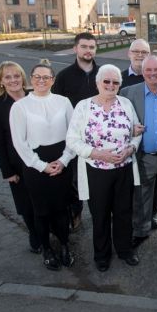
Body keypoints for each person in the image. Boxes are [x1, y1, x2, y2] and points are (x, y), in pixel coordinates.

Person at [66, 64, 143, 272]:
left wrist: (130, 149)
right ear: (97, 83)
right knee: (99, 214)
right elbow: (72, 140)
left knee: (123, 212)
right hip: (96, 170)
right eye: (106, 81)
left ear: (120, 84)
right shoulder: (84, 106)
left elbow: (137, 132)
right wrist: (98, 154)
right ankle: (101, 255)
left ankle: (125, 250)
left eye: (115, 82)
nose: (110, 85)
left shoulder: (125, 103)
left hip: (124, 168)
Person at [9, 60, 76, 271]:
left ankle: (65, 245)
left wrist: (64, 160)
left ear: (52, 80)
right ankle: (46, 249)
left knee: (62, 209)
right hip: (35, 166)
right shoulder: (19, 107)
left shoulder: (64, 102)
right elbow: (19, 143)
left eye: (46, 77)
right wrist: (41, 166)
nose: (41, 81)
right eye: (37, 77)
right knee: (41, 211)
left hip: (61, 162)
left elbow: (73, 135)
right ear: (31, 79)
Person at [121, 55, 157, 251]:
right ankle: (141, 230)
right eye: (149, 70)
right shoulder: (128, 93)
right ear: (142, 72)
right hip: (144, 156)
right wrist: (130, 130)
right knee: (141, 195)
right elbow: (119, 123)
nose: (153, 74)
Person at [0, 61, 41, 254]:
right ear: (1, 81)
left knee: (43, 200)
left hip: (41, 159)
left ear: (23, 77)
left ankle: (47, 230)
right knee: (27, 204)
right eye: (8, 77)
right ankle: (35, 235)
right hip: (17, 164)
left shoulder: (35, 97)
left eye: (17, 76)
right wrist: (7, 171)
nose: (13, 80)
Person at [52, 32, 99, 229]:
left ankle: (101, 213)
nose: (88, 51)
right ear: (75, 49)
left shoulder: (104, 74)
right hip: (73, 138)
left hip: (99, 139)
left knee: (97, 180)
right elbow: (55, 106)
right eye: (84, 47)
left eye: (91, 47)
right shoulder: (64, 76)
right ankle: (76, 213)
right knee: (73, 181)